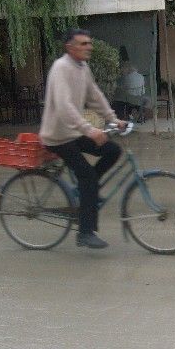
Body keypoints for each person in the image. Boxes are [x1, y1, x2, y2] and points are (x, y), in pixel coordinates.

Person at [39, 29, 127, 249]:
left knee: (112, 150)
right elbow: (64, 106)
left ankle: (88, 189)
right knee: (87, 177)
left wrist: (113, 119)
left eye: (90, 43)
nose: (89, 46)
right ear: (70, 47)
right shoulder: (61, 68)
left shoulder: (83, 68)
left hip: (74, 133)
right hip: (58, 136)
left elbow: (94, 95)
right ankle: (85, 233)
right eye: (84, 43)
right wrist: (89, 130)